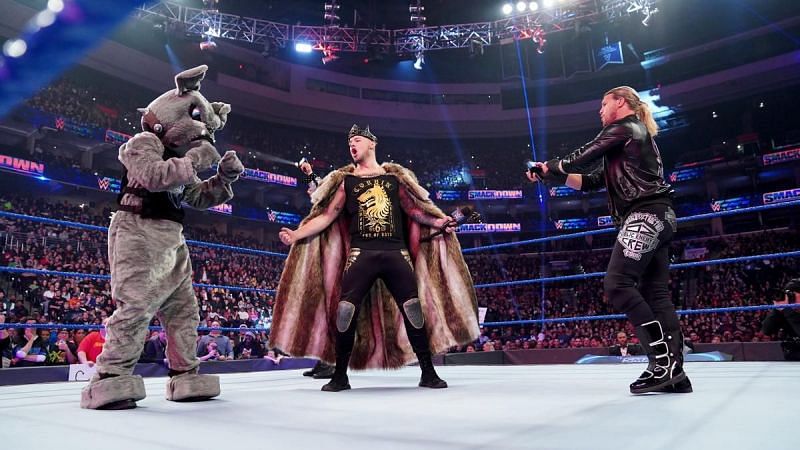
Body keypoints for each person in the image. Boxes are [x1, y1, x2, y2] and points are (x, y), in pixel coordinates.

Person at [271, 124, 480, 392]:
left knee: (414, 311)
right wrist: (297, 234)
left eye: (357, 140)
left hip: (396, 255)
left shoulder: (394, 179)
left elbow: (416, 210)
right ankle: (340, 375)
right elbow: (326, 216)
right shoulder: (346, 182)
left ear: (372, 144)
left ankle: (428, 372)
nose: (352, 145)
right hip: (361, 255)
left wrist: (440, 222)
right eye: (349, 143)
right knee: (345, 311)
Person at [527, 86, 691, 394]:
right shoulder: (630, 141)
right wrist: (550, 174)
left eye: (604, 103)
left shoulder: (625, 127)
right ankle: (675, 372)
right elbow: (587, 182)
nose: (600, 110)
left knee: (617, 284)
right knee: (656, 294)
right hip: (658, 216)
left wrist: (548, 165)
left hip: (645, 214)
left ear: (621, 102)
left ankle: (661, 362)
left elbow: (581, 157)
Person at [762, 279, 800, 361]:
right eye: (789, 294)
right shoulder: (785, 309)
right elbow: (766, 330)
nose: (791, 298)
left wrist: (788, 311)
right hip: (792, 357)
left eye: (793, 294)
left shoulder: (789, 312)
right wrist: (777, 309)